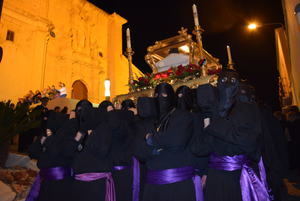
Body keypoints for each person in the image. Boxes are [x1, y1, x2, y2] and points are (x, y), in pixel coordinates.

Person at [191, 69, 272, 201]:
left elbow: (247, 141)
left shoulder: (248, 108)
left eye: (232, 81)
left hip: (240, 177)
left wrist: (213, 127)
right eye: (223, 81)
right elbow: (199, 148)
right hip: (216, 177)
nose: (227, 84)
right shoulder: (211, 111)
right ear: (217, 84)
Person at [135, 83, 203, 201]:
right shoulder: (150, 121)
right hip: (152, 185)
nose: (160, 98)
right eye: (156, 95)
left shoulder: (183, 116)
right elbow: (139, 151)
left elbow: (177, 142)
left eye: (164, 94)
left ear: (171, 97)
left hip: (176, 184)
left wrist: (151, 139)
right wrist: (156, 149)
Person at [71, 100, 115, 201]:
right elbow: (73, 149)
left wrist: (91, 136)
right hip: (81, 178)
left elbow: (101, 151)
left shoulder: (103, 130)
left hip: (96, 179)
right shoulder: (82, 129)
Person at [26, 110, 72, 201]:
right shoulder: (65, 136)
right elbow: (32, 152)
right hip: (50, 179)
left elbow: (34, 153)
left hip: (59, 179)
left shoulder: (60, 138)